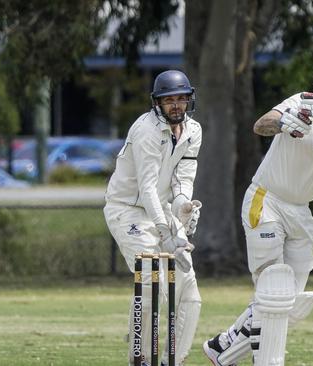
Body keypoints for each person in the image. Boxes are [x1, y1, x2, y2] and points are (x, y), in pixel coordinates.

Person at [202, 65, 313, 366]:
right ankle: (262, 360)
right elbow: (261, 125)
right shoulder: (304, 101)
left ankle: (223, 348)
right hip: (266, 198)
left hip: (300, 212)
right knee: (273, 287)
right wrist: (285, 121)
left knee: (290, 303)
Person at [104, 69, 203, 366]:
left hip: (161, 207)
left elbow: (183, 177)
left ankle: (176, 359)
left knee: (188, 287)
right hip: (128, 209)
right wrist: (166, 233)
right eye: (168, 100)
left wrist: (184, 206)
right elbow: (146, 186)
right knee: (150, 280)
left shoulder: (193, 130)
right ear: (157, 103)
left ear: (189, 100)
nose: (175, 105)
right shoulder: (146, 130)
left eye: (181, 99)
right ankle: (141, 357)